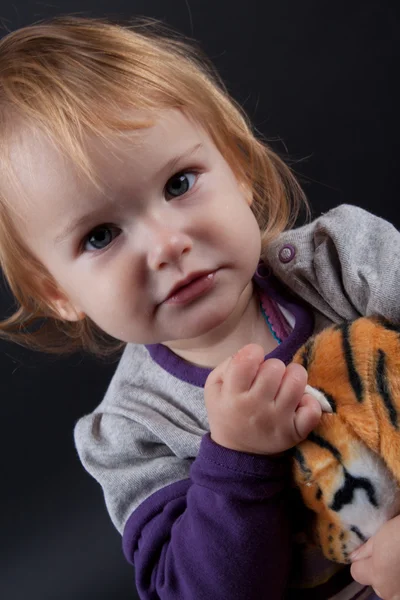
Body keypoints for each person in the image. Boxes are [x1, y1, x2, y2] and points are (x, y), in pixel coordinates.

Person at [0, 16, 399, 600]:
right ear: (57, 292)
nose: (166, 246)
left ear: (238, 172)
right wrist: (236, 459)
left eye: (180, 183)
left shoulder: (343, 263)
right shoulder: (133, 433)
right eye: (102, 235)